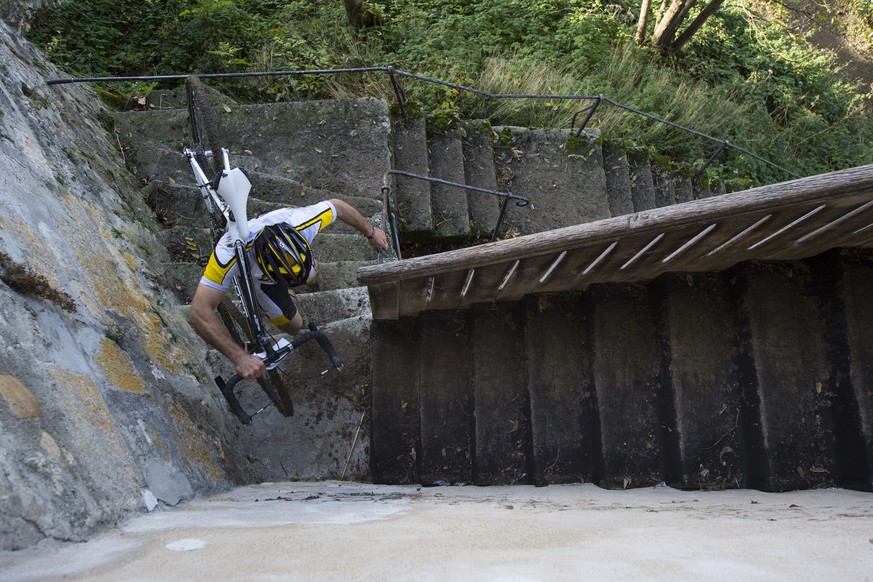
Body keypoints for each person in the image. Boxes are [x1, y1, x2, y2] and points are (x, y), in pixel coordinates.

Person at [189, 198, 388, 380]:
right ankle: (285, 284)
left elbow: (338, 206)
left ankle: (307, 270)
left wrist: (371, 232)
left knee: (311, 276)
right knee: (293, 327)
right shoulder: (227, 256)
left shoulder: (302, 222)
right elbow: (199, 312)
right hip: (261, 280)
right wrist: (239, 357)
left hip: (290, 257)